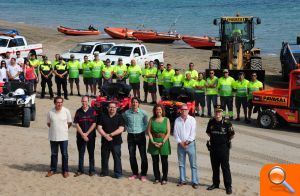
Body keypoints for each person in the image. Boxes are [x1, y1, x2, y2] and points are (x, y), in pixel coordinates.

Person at [206, 106, 235, 195]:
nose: (217, 113)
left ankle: (228, 186)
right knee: (215, 167)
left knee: (225, 168)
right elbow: (208, 132)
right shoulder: (211, 122)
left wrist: (223, 141)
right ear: (214, 113)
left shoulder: (227, 123)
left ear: (222, 113)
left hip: (224, 149)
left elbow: (232, 135)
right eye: (216, 112)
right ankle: (215, 183)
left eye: (219, 112)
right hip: (213, 148)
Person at [46, 97, 72, 178]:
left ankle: (65, 171)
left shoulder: (66, 111)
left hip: (64, 137)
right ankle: (53, 169)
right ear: (55, 103)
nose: (59, 104)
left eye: (61, 102)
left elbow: (69, 123)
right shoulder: (50, 112)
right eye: (57, 102)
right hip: (53, 137)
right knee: (54, 154)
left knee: (64, 154)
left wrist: (63, 129)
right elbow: (48, 124)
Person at [174, 104, 199, 189]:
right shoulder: (177, 120)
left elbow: (193, 133)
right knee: (181, 164)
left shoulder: (192, 120)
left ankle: (195, 181)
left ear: (188, 111)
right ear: (180, 110)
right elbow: (175, 133)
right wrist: (181, 143)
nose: (184, 111)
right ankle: (182, 180)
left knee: (193, 164)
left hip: (190, 144)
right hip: (180, 145)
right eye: (182, 110)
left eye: (186, 110)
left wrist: (187, 142)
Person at [123, 98, 149, 181]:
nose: (134, 103)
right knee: (132, 155)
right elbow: (126, 122)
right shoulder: (126, 113)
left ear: (139, 104)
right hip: (130, 136)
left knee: (143, 155)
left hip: (140, 136)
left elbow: (146, 123)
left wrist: (142, 130)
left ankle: (143, 174)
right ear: (131, 103)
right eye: (133, 102)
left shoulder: (143, 113)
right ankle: (135, 173)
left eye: (136, 102)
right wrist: (128, 129)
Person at [97, 102, 125, 179]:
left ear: (116, 108)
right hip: (105, 141)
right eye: (110, 107)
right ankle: (104, 172)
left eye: (113, 107)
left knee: (117, 158)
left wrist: (110, 135)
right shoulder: (103, 116)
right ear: (107, 108)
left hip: (116, 142)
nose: (112, 109)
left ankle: (118, 173)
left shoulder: (120, 117)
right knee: (104, 157)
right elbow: (99, 127)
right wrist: (106, 135)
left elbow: (121, 129)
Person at [147, 104, 171, 185]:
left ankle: (164, 178)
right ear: (155, 111)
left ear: (162, 110)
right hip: (153, 141)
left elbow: (168, 132)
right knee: (155, 161)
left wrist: (163, 142)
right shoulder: (151, 119)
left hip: (164, 141)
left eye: (160, 109)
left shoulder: (166, 119)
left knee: (164, 161)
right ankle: (157, 177)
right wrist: (152, 141)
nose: (158, 111)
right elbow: (149, 131)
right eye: (157, 109)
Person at [73, 96, 97, 177]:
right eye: (83, 101)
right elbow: (76, 124)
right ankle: (80, 170)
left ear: (88, 101)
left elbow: (94, 123)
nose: (84, 103)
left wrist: (87, 133)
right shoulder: (78, 111)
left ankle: (92, 170)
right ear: (81, 101)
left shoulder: (93, 111)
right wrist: (83, 134)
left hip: (91, 136)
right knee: (81, 153)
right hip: (80, 137)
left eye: (86, 101)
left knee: (91, 154)